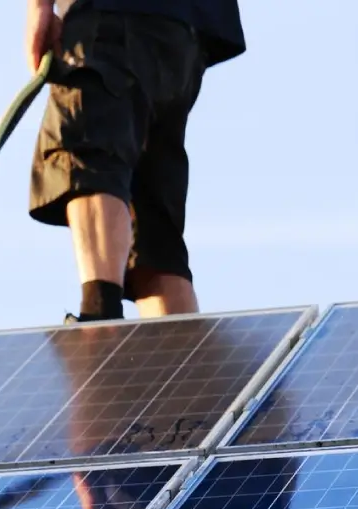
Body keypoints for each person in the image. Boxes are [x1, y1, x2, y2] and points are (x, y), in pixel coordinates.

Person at [24, 0, 246, 322]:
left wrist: (38, 9)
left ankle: (100, 316)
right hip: (187, 34)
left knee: (89, 153)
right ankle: (179, 358)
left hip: (111, 17)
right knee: (153, 217)